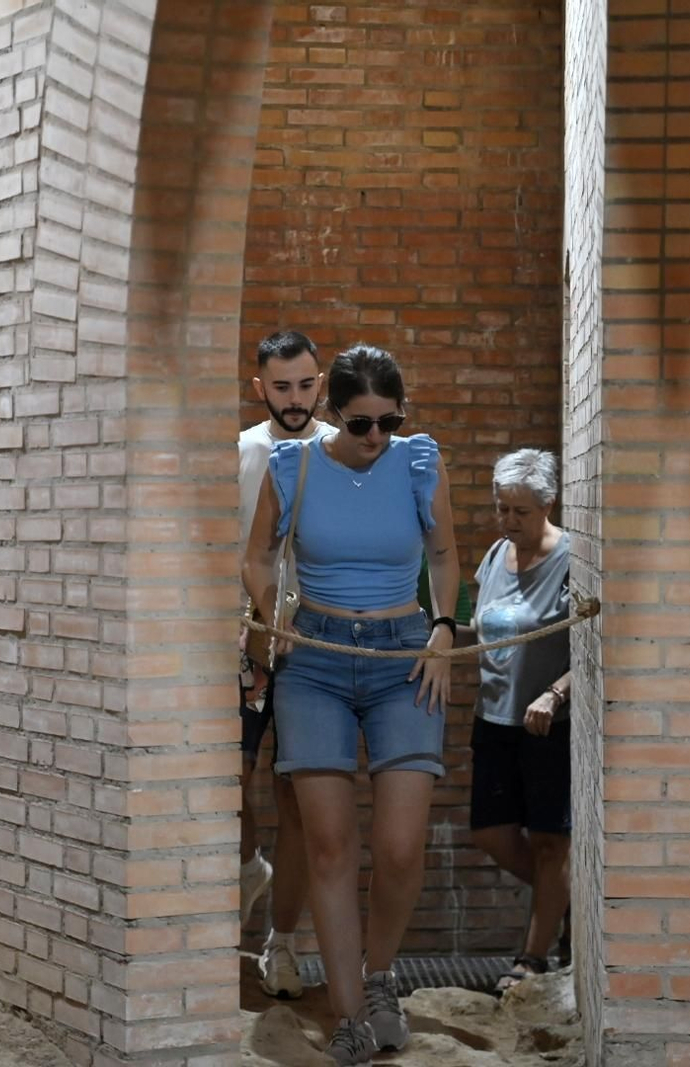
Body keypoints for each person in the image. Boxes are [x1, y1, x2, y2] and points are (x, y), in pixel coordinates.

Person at [242, 343, 460, 1065]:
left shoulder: (419, 460)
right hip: (317, 660)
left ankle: (379, 976)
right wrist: (274, 615)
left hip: (403, 656)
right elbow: (257, 556)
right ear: (333, 413)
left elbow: (444, 555)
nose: (376, 437)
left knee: (400, 846)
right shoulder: (293, 465)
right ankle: (346, 1018)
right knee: (330, 845)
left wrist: (441, 627)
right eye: (361, 423)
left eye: (388, 422)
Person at [236, 330, 334, 999]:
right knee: (225, 783)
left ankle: (283, 942)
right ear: (259, 386)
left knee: (297, 802)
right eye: (280, 386)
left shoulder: (340, 448)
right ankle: (246, 867)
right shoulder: (239, 452)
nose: (293, 399)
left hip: (321, 647)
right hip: (244, 639)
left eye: (304, 385)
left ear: (320, 382)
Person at [458, 448, 572, 993]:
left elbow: (599, 648)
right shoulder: (495, 554)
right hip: (495, 717)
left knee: (552, 842)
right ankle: (566, 897)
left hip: (549, 723)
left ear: (547, 505)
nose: (506, 522)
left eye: (519, 512)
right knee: (491, 832)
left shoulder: (572, 557)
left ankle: (534, 955)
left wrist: (555, 692)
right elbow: (476, 622)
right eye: (502, 509)